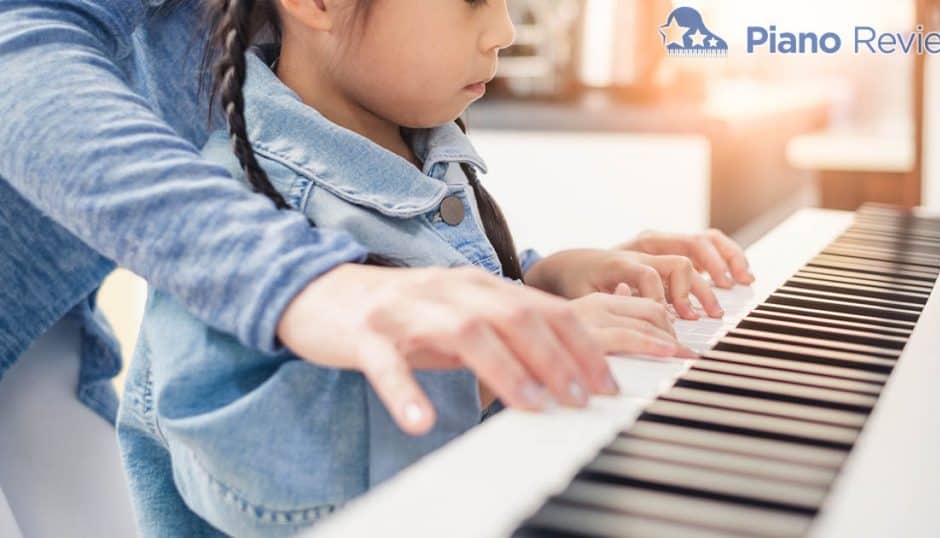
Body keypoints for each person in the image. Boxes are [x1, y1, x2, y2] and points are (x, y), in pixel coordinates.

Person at [0, 0, 752, 534]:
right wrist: (487, 369)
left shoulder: (410, 132)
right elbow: (274, 491)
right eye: (472, 1)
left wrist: (538, 280)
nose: (507, 31)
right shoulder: (242, 196)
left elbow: (417, 271)